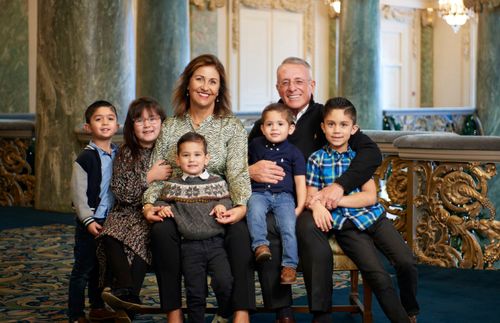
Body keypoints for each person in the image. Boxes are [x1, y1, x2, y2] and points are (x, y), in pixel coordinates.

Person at [248, 57, 382, 323]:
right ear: (277, 88)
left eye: (299, 81)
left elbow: (370, 153)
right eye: (285, 82)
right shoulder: (268, 120)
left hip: (313, 201)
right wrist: (250, 170)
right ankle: (282, 310)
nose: (292, 88)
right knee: (266, 226)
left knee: (310, 231)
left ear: (312, 84)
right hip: (269, 197)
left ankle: (321, 313)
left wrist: (339, 186)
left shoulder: (326, 117)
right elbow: (243, 158)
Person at [142, 54, 254, 323]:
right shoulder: (170, 127)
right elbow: (158, 174)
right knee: (160, 230)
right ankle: (173, 311)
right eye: (200, 79)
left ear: (219, 90)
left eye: (213, 81)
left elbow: (238, 172)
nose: (205, 86)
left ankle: (241, 310)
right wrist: (148, 205)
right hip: (178, 204)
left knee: (240, 232)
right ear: (188, 85)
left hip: (219, 202)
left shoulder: (231, 126)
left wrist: (240, 207)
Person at [305, 97, 419, 323]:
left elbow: (369, 197)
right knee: (379, 276)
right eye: (331, 124)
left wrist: (334, 198)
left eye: (343, 125)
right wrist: (318, 202)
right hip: (347, 228)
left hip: (374, 218)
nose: (337, 130)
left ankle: (410, 309)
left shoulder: (359, 158)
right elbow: (311, 196)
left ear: (353, 129)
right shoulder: (316, 160)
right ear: (323, 127)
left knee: (406, 261)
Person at [154, 132, 233, 323]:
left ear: (206, 158)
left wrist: (223, 205)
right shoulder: (173, 185)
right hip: (189, 247)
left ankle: (224, 313)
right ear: (178, 159)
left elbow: (227, 199)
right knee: (195, 292)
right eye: (186, 155)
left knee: (225, 283)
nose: (191, 159)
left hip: (216, 244)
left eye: (197, 155)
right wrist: (163, 208)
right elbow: (160, 200)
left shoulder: (217, 182)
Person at [97, 97, 168, 307]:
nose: (147, 125)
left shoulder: (168, 153)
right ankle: (128, 292)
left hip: (151, 213)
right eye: (140, 120)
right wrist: (148, 177)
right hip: (125, 211)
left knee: (139, 247)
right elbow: (121, 192)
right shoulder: (126, 152)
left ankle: (126, 300)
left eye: (153, 119)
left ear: (163, 122)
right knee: (110, 234)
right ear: (131, 126)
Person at [68, 100, 120, 323]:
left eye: (110, 118)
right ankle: (76, 313)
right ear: (88, 127)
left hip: (111, 220)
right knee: (83, 268)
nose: (105, 123)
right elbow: (78, 195)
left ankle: (97, 306)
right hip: (90, 220)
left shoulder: (119, 154)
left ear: (117, 125)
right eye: (98, 119)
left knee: (102, 267)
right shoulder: (85, 158)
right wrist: (87, 220)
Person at [247, 103, 306, 285]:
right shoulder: (255, 145)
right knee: (254, 211)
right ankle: (260, 246)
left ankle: (289, 266)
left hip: (284, 197)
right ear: (262, 128)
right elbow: (242, 170)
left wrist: (300, 206)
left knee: (288, 227)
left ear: (290, 128)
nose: (274, 128)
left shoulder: (294, 153)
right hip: (259, 193)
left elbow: (299, 181)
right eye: (269, 124)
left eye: (280, 124)